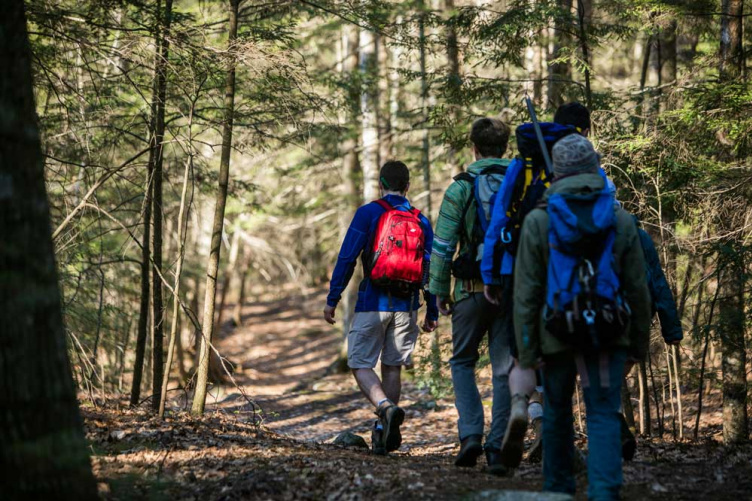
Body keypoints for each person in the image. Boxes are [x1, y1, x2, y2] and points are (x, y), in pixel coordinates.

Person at [513, 134, 651, 500]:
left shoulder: (539, 220)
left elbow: (526, 293)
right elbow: (638, 288)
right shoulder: (620, 219)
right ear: (594, 166)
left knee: (557, 412)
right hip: (608, 331)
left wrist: (528, 350)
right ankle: (604, 493)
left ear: (556, 172)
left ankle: (558, 490)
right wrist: (637, 344)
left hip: (556, 333)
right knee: (603, 413)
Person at [480, 102, 592, 466]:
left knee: (521, 352)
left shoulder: (523, 164)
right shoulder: (583, 166)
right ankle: (559, 440)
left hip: (518, 269)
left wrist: (491, 274)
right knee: (564, 354)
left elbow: (499, 219)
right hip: (568, 270)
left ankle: (520, 408)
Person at [324, 160, 439, 456]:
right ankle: (382, 431)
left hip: (372, 302)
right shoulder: (421, 220)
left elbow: (347, 258)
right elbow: (430, 268)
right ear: (408, 186)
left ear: (380, 184)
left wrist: (333, 298)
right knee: (392, 367)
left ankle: (385, 408)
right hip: (408, 306)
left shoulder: (368, 213)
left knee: (359, 362)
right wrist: (433, 310)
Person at [428, 118, 514, 475]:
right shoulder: (522, 182)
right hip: (512, 289)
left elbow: (444, 245)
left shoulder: (461, 187)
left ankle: (470, 436)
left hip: (469, 291)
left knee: (462, 361)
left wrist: (438, 291)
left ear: (474, 148)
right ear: (506, 148)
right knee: (505, 368)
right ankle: (498, 445)